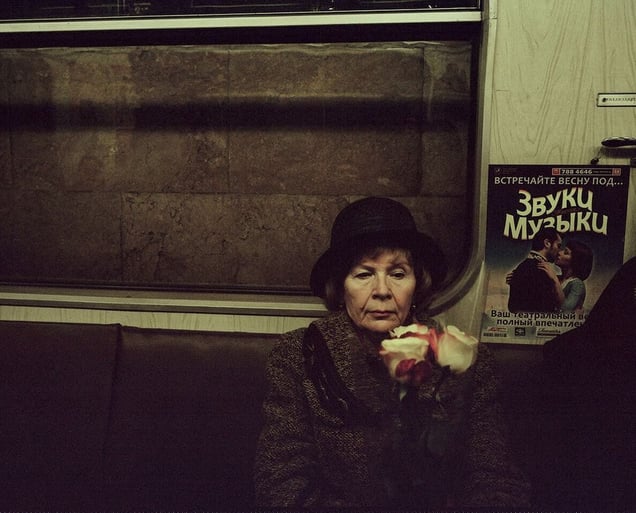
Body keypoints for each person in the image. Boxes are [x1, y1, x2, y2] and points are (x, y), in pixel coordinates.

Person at [254, 196, 530, 509]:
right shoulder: (298, 356)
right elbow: (282, 484)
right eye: (363, 274)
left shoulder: (466, 360)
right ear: (340, 287)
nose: (382, 291)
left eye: (398, 274)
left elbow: (494, 477)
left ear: (417, 284)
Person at [507, 227, 562, 313]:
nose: (559, 252)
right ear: (547, 243)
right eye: (558, 246)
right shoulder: (542, 270)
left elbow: (513, 306)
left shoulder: (522, 266)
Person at [537, 239, 593, 312]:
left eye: (566, 253)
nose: (559, 252)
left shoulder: (577, 284)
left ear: (575, 261)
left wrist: (554, 279)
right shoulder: (556, 277)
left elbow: (566, 311)